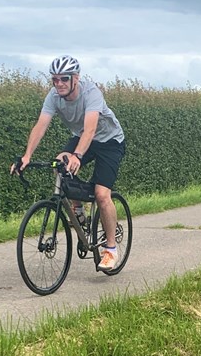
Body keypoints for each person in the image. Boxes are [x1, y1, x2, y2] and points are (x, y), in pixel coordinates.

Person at [12, 55, 126, 269]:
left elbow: (90, 128)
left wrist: (78, 156)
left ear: (75, 78)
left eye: (64, 79)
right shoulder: (54, 96)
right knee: (59, 163)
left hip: (109, 141)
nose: (59, 84)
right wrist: (26, 156)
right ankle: (78, 208)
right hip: (82, 136)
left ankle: (110, 249)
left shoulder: (91, 92)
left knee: (102, 195)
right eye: (54, 80)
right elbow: (41, 125)